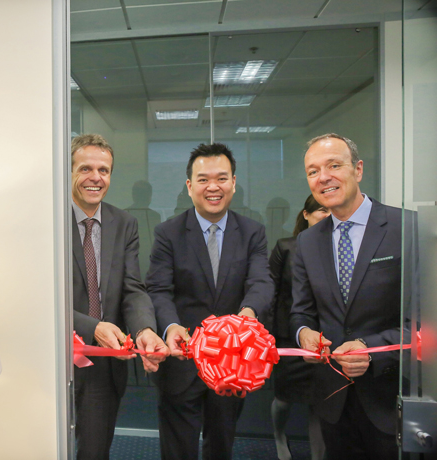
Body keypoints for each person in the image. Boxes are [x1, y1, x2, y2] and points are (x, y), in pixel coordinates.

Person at [145, 142, 274, 460]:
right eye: (203, 179)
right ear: (189, 186)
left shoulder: (253, 232)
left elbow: (261, 281)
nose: (212, 187)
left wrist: (245, 318)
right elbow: (159, 289)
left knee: (221, 445)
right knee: (177, 450)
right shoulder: (168, 233)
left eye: (221, 178)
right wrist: (172, 325)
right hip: (182, 359)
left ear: (233, 183)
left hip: (232, 363)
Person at [289, 133, 408, 460]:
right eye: (313, 171)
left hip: (390, 397)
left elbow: (425, 322)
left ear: (357, 169)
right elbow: (301, 313)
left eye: (333, 165)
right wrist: (305, 335)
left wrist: (371, 350)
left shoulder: (406, 227)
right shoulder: (307, 242)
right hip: (332, 401)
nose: (323, 176)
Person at [71, 134, 169, 460]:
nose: (96, 178)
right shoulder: (47, 221)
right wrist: (92, 326)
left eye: (104, 170)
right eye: (86, 168)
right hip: (51, 360)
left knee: (94, 452)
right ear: (69, 172)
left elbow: (132, 288)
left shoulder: (124, 223)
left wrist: (145, 330)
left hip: (103, 362)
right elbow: (36, 297)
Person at [269, 194, 329, 460]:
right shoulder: (286, 247)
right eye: (320, 211)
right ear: (306, 215)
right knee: (284, 397)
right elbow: (270, 293)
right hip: (288, 337)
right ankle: (279, 436)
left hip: (326, 337)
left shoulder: (338, 247)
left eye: (330, 211)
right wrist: (268, 336)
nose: (326, 216)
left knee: (321, 401)